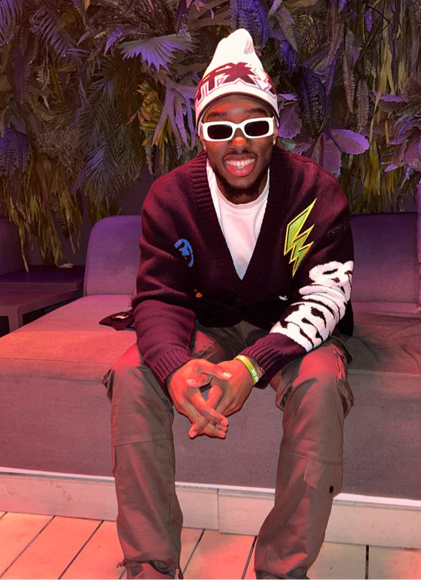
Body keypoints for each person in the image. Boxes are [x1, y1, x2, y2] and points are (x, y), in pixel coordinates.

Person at [103, 28, 354, 579]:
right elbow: (159, 295)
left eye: (254, 125)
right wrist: (172, 367)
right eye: (220, 128)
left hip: (289, 326)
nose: (238, 143)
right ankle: (149, 566)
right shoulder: (170, 197)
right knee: (132, 373)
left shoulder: (315, 192)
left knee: (319, 384)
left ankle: (282, 570)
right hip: (208, 322)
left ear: (275, 130)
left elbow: (327, 294)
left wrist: (252, 365)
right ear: (202, 136)